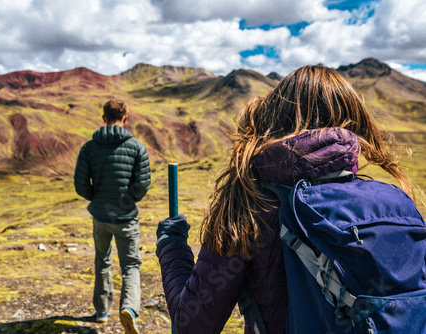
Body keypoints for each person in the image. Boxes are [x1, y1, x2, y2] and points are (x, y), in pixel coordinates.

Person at [155, 65, 417, 333]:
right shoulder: (397, 204)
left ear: (276, 115)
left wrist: (171, 245)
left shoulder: (253, 202)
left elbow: (193, 324)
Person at [74, 100, 151, 334]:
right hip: (126, 218)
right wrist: (126, 202)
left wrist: (96, 200)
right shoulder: (136, 147)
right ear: (125, 118)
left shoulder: (89, 148)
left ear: (104, 118)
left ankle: (102, 312)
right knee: (131, 265)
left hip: (100, 218)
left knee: (102, 261)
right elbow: (143, 183)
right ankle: (128, 308)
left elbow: (80, 184)